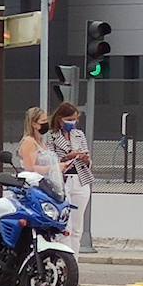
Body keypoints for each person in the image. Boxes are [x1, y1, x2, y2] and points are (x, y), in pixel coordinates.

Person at [47, 102, 93, 255]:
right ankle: (64, 259)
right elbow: (51, 160)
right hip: (63, 180)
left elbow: (87, 159)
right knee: (66, 226)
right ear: (60, 119)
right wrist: (69, 156)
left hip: (80, 180)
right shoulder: (51, 136)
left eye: (74, 119)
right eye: (69, 119)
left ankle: (74, 260)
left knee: (77, 226)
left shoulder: (79, 135)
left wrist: (85, 159)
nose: (72, 122)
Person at [17, 107, 51, 175]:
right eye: (43, 121)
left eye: (46, 120)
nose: (46, 123)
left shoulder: (42, 141)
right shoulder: (29, 142)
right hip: (35, 182)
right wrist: (52, 168)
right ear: (34, 124)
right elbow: (30, 168)